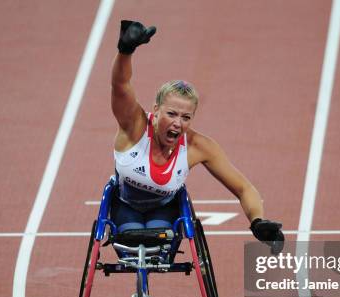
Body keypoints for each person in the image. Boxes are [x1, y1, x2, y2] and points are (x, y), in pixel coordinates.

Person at [111, 20, 284, 252]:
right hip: (125, 205)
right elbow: (120, 85)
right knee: (131, 244)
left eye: (186, 117)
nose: (177, 123)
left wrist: (258, 221)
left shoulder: (198, 146)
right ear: (156, 109)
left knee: (159, 244)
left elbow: (243, 188)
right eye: (171, 113)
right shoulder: (135, 125)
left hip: (164, 210)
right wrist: (125, 51)